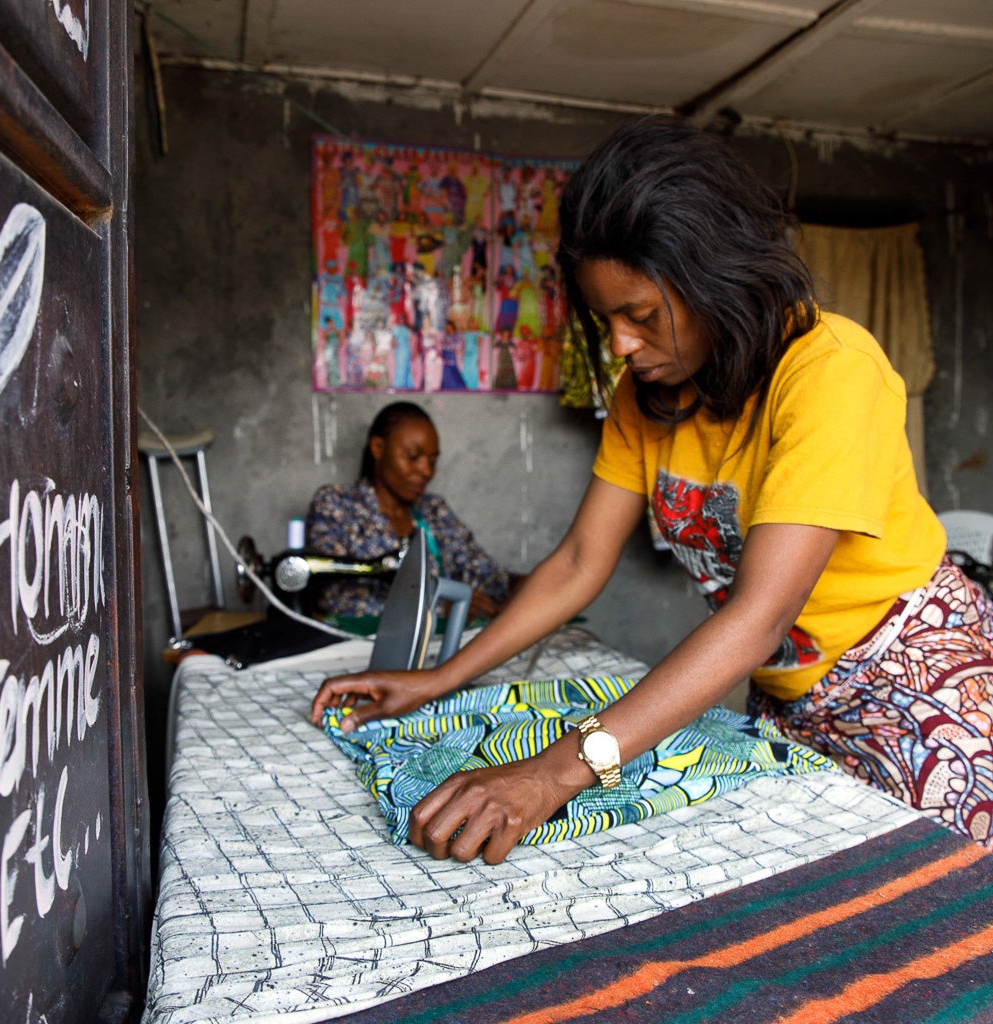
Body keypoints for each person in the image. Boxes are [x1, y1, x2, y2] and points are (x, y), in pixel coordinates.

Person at [312, 115, 993, 863]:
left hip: (913, 685)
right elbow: (578, 563)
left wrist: (550, 776)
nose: (621, 345)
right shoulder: (650, 396)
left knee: (952, 906)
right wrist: (438, 679)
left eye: (639, 315)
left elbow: (760, 617)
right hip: (787, 697)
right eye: (607, 320)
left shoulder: (830, 371)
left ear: (716, 277)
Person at [305, 402, 517, 620]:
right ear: (378, 448)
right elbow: (332, 597)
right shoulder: (337, 505)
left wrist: (521, 587)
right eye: (413, 456)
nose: (426, 471)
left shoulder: (433, 510)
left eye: (433, 461)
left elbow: (486, 575)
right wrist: (439, 609)